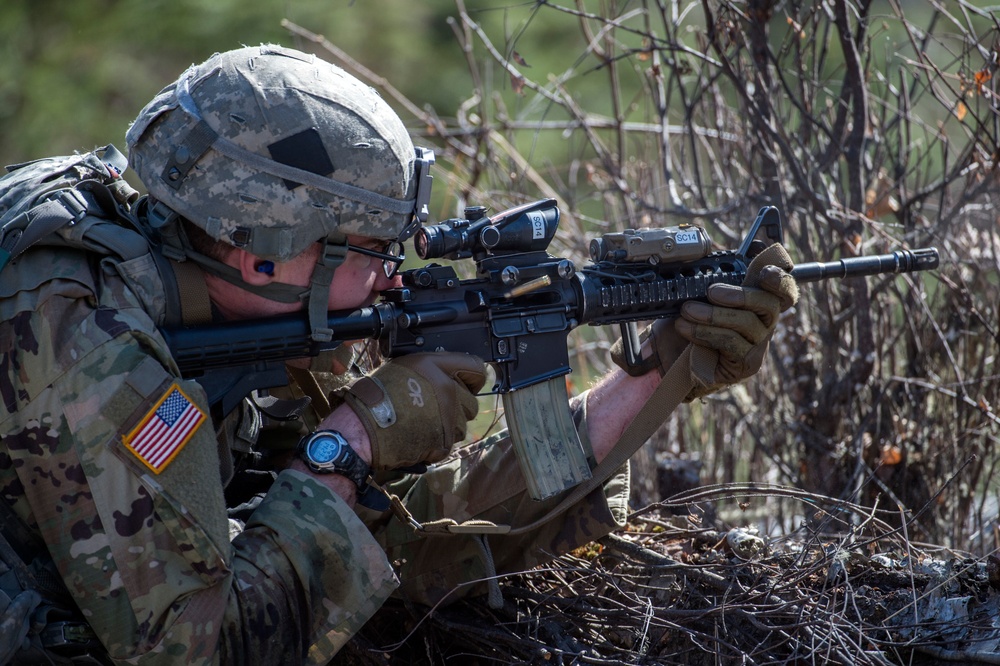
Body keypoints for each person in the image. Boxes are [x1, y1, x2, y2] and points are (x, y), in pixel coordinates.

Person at [0, 44, 798, 664]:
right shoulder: (77, 338)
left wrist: (662, 371)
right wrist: (349, 442)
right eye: (375, 248)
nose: (395, 273)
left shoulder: (211, 285)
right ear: (264, 252)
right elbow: (201, 651)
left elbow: (394, 537)